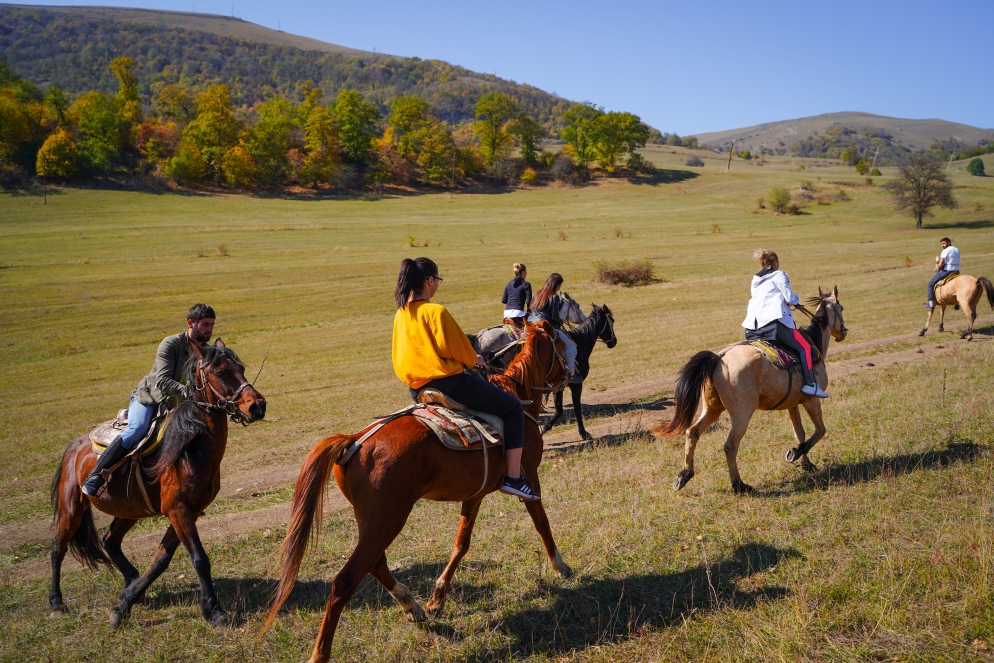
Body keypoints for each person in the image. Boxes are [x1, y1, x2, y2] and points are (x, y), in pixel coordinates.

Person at [392, 257, 539, 501]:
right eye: (437, 280)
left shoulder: (401, 313)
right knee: (513, 409)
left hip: (416, 388)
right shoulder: (435, 311)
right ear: (430, 281)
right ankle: (513, 477)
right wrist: (474, 359)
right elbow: (457, 349)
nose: (436, 284)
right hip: (450, 385)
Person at [81, 304, 216, 496]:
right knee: (137, 430)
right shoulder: (171, 344)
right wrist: (188, 392)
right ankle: (96, 476)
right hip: (149, 398)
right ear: (190, 323)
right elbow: (161, 381)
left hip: (178, 404)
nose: (209, 329)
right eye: (205, 324)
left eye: (212, 324)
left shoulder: (208, 352)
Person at [742, 250, 828, 399]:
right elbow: (789, 297)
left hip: (752, 328)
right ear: (775, 263)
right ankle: (810, 384)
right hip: (774, 326)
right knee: (805, 347)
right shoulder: (779, 274)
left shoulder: (755, 279)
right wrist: (796, 299)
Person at [527, 273, 577, 377]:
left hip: (530, 324)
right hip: (543, 325)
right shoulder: (554, 297)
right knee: (569, 345)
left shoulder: (537, 294)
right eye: (560, 285)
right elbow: (554, 317)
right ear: (556, 284)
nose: (560, 288)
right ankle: (572, 373)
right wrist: (561, 322)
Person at [925, 237, 960, 310]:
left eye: (944, 243)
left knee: (930, 284)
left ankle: (931, 305)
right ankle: (957, 303)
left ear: (949, 243)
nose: (942, 245)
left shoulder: (945, 250)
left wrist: (938, 267)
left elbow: (940, 265)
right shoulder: (957, 250)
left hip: (947, 271)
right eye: (941, 244)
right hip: (956, 271)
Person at [501, 263, 532, 327]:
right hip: (518, 313)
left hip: (506, 314)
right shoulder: (526, 284)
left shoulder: (509, 284)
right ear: (523, 272)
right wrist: (530, 312)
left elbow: (504, 300)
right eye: (526, 271)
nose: (526, 273)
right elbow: (529, 302)